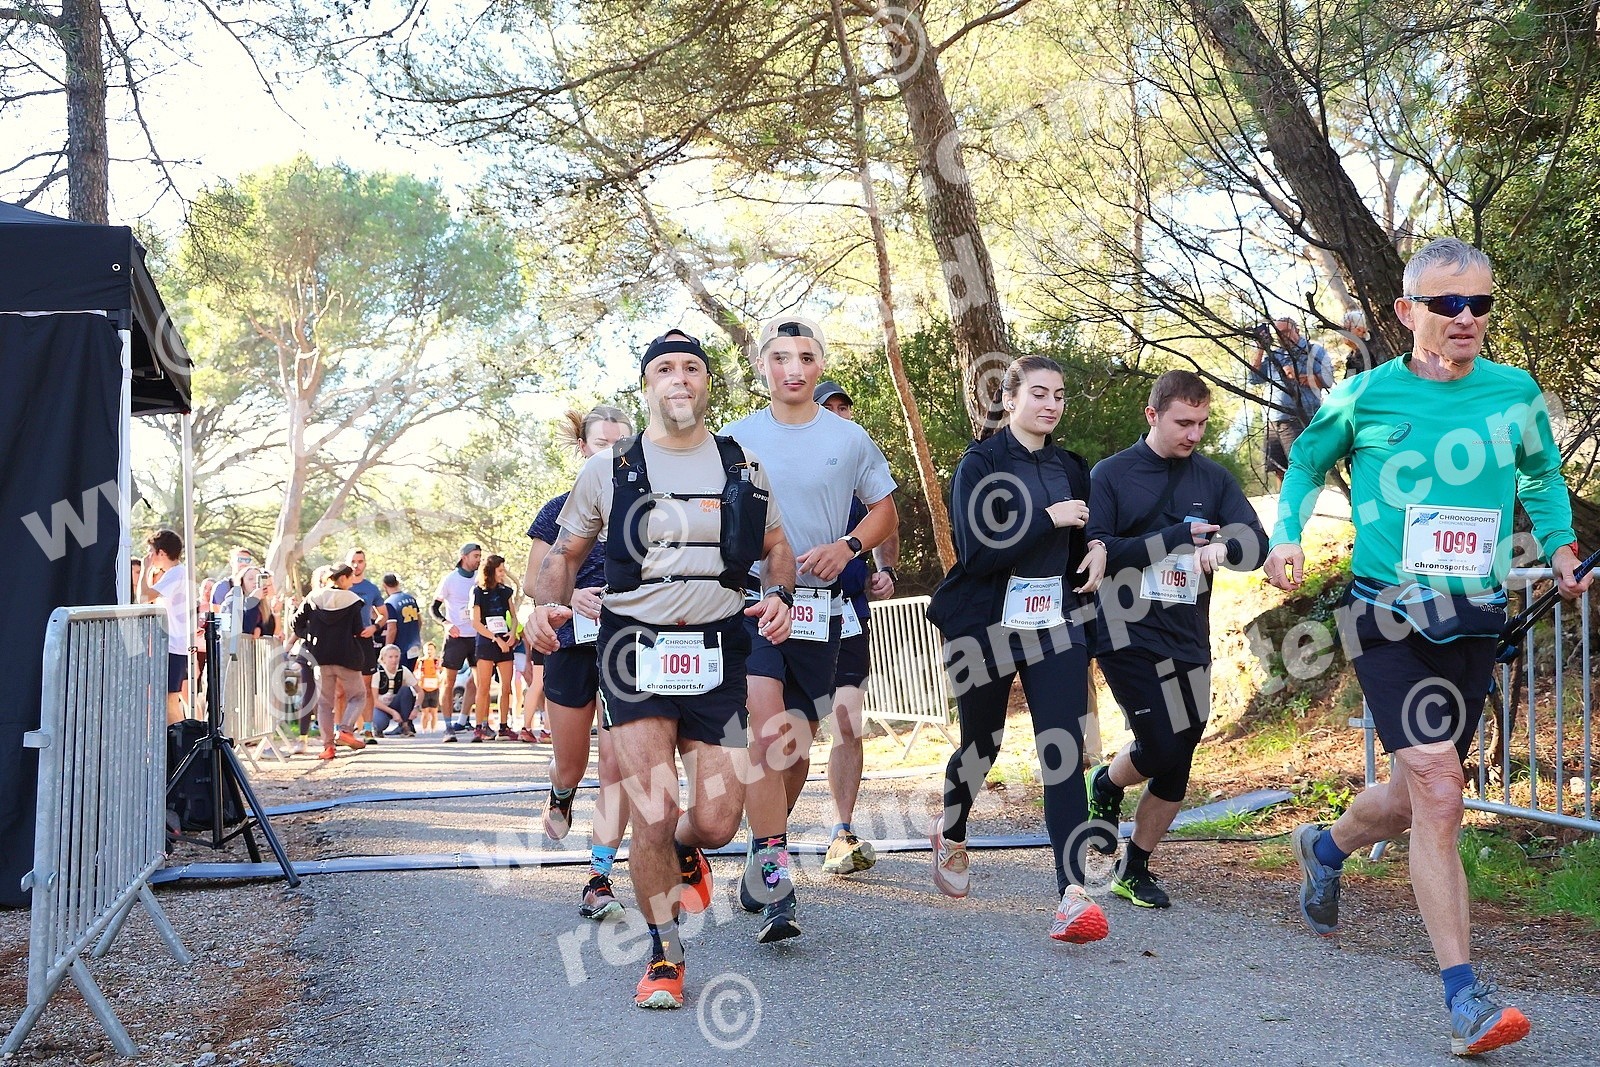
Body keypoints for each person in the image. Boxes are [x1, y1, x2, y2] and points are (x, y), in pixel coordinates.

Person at [1265, 237, 1591, 1057]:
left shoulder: (1514, 392)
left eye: (1480, 303)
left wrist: (1559, 546)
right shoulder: (1364, 395)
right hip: (1386, 620)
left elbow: (1540, 476)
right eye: (1448, 303)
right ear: (1407, 311)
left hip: (1472, 620)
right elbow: (1305, 462)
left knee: (1413, 799)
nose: (1466, 316)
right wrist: (1287, 532)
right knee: (1443, 791)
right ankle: (1465, 999)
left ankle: (1325, 844)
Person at [530, 329, 793, 1010]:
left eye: (692, 368)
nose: (680, 377)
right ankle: (665, 953)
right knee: (652, 807)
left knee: (717, 821)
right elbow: (563, 553)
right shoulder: (608, 469)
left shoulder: (742, 465)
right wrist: (545, 606)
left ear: (708, 383)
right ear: (647, 385)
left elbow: (776, 546)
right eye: (666, 368)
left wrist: (781, 596)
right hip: (633, 652)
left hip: (718, 652)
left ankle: (683, 849)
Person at [721, 318, 898, 945]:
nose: (792, 368)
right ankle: (777, 877)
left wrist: (848, 547)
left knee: (796, 744)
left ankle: (761, 847)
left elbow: (884, 510)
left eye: (805, 357)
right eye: (779, 357)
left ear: (820, 365)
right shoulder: (735, 437)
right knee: (767, 733)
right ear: (762, 366)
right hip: (755, 603)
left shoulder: (849, 438)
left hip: (820, 611)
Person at [925, 354, 1109, 943]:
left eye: (1059, 395)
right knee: (982, 744)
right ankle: (953, 830)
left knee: (1063, 749)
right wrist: (1045, 518)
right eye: (1039, 393)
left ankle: (1072, 894)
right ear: (1009, 400)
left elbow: (1085, 533)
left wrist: (1098, 549)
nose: (1051, 404)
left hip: (1055, 623)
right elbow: (976, 552)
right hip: (987, 623)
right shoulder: (980, 463)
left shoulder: (1071, 466)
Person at [1084, 370, 1269, 908]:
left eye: (1202, 423)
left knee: (1180, 751)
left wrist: (1226, 549)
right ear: (1153, 415)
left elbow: (1255, 541)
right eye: (1183, 422)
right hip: (1125, 631)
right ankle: (1108, 784)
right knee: (1162, 744)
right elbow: (1100, 550)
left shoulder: (1213, 479)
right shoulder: (1111, 474)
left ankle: (1134, 866)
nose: (1194, 434)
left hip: (1187, 635)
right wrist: (1174, 538)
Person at [524, 405, 636, 921]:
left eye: (621, 444)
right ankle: (561, 790)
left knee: (618, 763)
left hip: (628, 648)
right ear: (583, 448)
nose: (611, 453)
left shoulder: (648, 509)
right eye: (601, 444)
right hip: (569, 643)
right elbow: (534, 582)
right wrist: (573, 596)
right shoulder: (557, 510)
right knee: (571, 760)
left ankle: (599, 877)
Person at [810, 379, 903, 877]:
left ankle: (841, 831)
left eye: (845, 407)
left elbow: (887, 518)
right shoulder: (787, 460)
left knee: (847, 723)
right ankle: (768, 840)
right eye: (830, 408)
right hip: (792, 613)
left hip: (846, 613)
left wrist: (885, 570)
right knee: (790, 731)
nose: (841, 414)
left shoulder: (861, 461)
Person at [291, 563, 372, 761]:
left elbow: (295, 622)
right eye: (350, 578)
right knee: (358, 696)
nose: (352, 583)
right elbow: (357, 629)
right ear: (343, 578)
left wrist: (310, 635)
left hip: (320, 658)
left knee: (325, 704)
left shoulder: (313, 598)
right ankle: (345, 730)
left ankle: (328, 747)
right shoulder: (353, 600)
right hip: (347, 656)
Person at [1251, 316, 1334, 488]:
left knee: (1300, 467)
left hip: (1297, 417)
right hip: (1273, 420)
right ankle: (1286, 502)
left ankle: (1305, 501)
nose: (1283, 336)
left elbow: (1327, 380)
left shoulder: (1313, 351)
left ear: (1297, 330)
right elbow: (1254, 378)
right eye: (1279, 333)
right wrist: (1260, 348)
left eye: (1287, 332)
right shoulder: (1275, 355)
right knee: (1278, 468)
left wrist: (1298, 376)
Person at [139, 528, 190, 723]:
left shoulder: (176, 573)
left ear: (161, 553)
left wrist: (145, 569)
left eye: (151, 552)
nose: (149, 556)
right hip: (172, 645)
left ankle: (179, 738)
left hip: (174, 645)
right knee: (168, 699)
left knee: (170, 699)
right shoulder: (175, 573)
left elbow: (144, 597)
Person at [433, 544, 482, 739]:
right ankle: (448, 726)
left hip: (477, 636)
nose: (479, 559)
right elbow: (434, 608)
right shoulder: (450, 579)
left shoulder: (480, 578)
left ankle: (463, 720)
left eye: (480, 556)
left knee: (478, 681)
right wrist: (446, 624)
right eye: (475, 556)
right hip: (456, 637)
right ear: (464, 557)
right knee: (449, 682)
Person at [470, 554, 520, 742]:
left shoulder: (506, 591)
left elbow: (513, 617)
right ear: (490, 571)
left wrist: (512, 633)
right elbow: (476, 622)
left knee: (506, 686)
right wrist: (495, 639)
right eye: (500, 570)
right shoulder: (478, 592)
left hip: (505, 641)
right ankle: (479, 727)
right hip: (486, 642)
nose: (503, 573)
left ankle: (504, 727)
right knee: (483, 686)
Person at [372, 644, 419, 737]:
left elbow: (420, 691)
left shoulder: (403, 670)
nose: (394, 660)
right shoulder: (377, 673)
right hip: (381, 706)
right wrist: (393, 712)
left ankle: (405, 726)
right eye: (390, 657)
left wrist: (416, 708)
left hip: (395, 703)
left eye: (396, 656)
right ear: (383, 658)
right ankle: (377, 729)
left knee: (406, 690)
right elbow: (374, 701)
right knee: (381, 723)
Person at [382, 573, 423, 671]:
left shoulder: (389, 603)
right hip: (414, 645)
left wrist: (386, 649)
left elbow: (392, 629)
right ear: (397, 583)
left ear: (384, 586)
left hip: (400, 648)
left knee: (399, 676)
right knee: (409, 675)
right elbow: (420, 621)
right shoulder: (411, 599)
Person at [1340, 307, 1374, 380]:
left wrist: (1357, 351)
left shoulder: (1373, 346)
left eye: (1346, 329)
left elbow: (1370, 373)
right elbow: (1350, 381)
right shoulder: (1352, 355)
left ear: (1359, 330)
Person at [417, 641, 443, 732]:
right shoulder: (421, 661)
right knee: (425, 712)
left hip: (435, 688)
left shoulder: (437, 662)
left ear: (434, 650)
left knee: (434, 712)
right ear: (424, 650)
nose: (429, 651)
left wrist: (440, 681)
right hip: (424, 689)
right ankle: (424, 730)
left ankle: (433, 730)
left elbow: (443, 673)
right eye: (427, 649)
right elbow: (415, 673)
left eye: (431, 649)